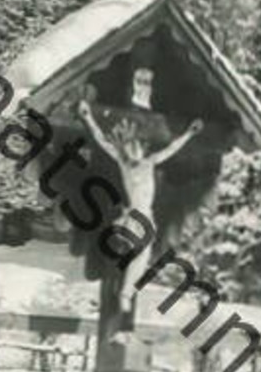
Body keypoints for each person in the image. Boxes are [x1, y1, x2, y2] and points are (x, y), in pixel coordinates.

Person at [77, 99, 203, 310]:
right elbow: (102, 140)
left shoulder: (150, 162)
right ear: (126, 149)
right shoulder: (123, 163)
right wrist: (88, 117)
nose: (133, 151)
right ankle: (109, 294)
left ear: (142, 149)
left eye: (136, 147)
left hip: (145, 215)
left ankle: (125, 293)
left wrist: (189, 133)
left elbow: (172, 149)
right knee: (121, 254)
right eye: (129, 147)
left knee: (142, 256)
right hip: (131, 216)